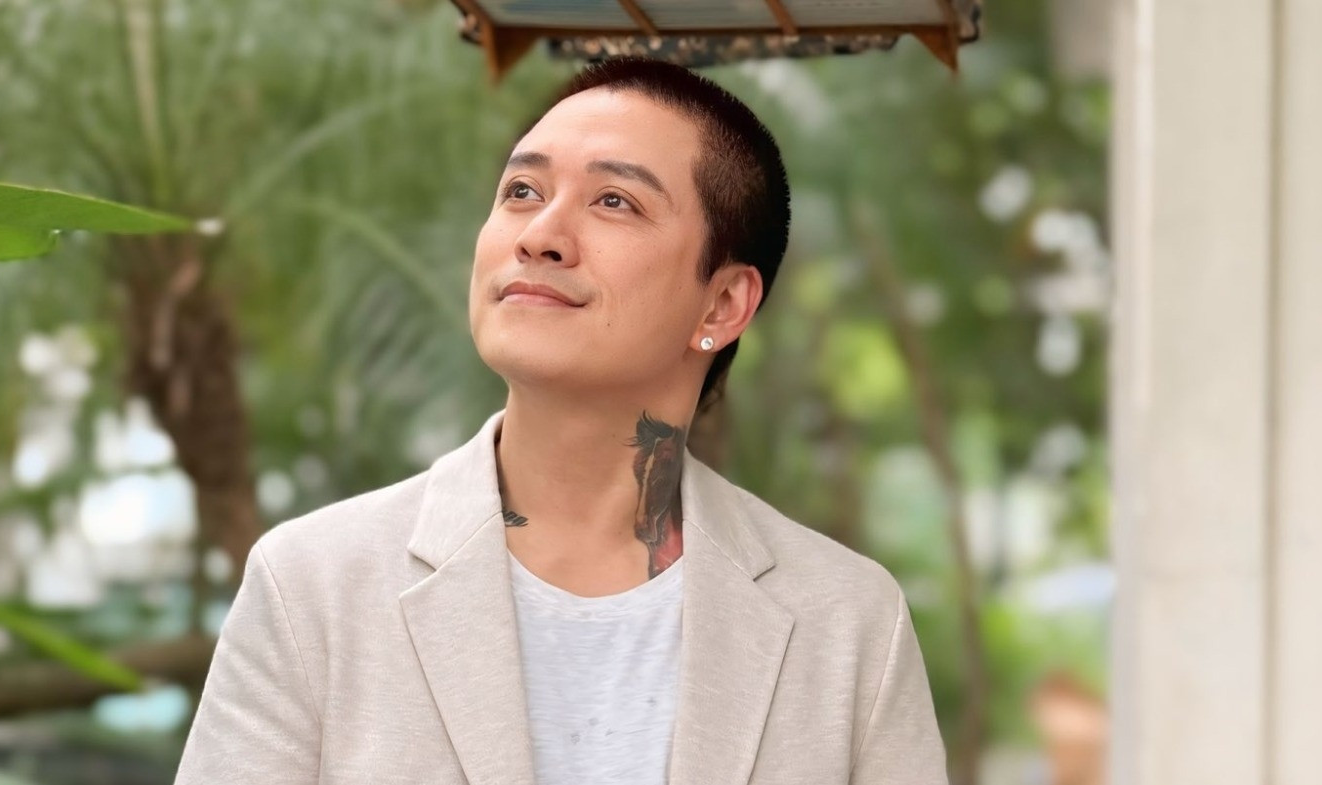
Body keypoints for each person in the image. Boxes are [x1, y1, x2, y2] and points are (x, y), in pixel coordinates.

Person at [174, 56, 947, 785]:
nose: (539, 235)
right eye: (521, 190)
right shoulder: (312, 586)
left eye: (615, 201)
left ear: (721, 304)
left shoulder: (847, 624)